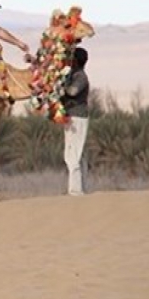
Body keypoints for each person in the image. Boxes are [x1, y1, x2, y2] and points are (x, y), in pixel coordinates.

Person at [62, 47, 90, 196]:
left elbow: (72, 92)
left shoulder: (80, 77)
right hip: (74, 116)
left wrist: (61, 85)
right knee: (77, 153)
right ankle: (80, 188)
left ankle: (76, 191)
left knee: (73, 154)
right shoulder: (75, 75)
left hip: (77, 117)